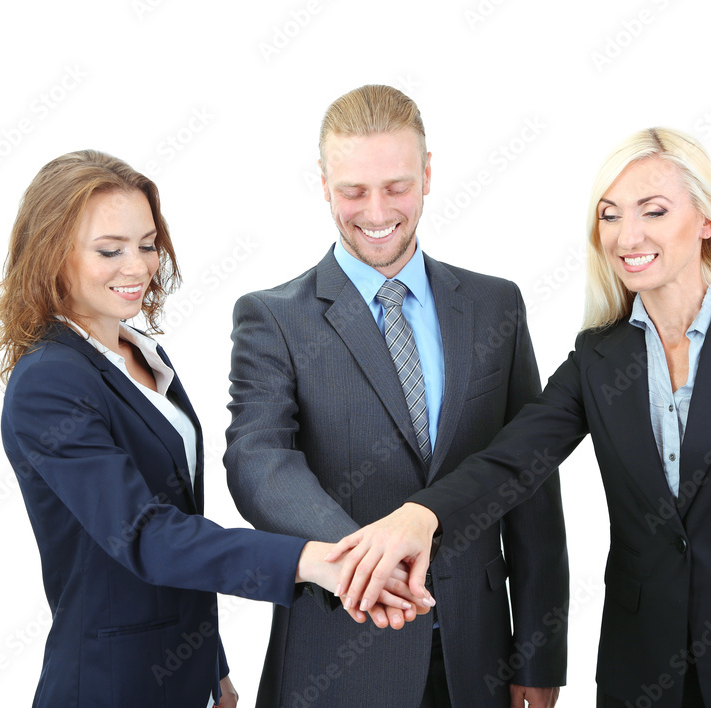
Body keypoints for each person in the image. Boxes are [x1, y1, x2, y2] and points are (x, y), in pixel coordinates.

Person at [329, 128, 711, 707]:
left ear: (707, 220)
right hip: (640, 670)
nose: (627, 236)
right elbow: (511, 464)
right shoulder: (600, 360)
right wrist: (421, 514)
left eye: (653, 211)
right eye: (610, 216)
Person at [0, 150, 423, 708]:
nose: (138, 267)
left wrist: (210, 663)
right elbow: (145, 534)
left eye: (147, 244)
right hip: (108, 684)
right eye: (109, 250)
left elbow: (182, 521)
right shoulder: (49, 382)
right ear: (52, 254)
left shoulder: (139, 353)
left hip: (182, 674)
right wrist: (312, 560)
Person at [224, 85, 569, 708]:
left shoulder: (496, 305)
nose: (377, 210)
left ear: (429, 174)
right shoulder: (272, 317)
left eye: (397, 186)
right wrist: (366, 560)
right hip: (338, 652)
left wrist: (540, 656)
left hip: (479, 659)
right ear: (323, 182)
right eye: (353, 190)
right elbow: (259, 464)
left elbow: (530, 482)